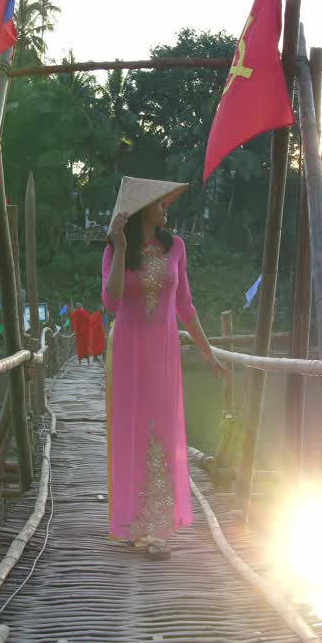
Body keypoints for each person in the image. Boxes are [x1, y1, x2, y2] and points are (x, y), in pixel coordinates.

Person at [102, 176, 225, 560]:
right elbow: (111, 301)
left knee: (161, 432)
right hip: (127, 351)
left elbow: (186, 306)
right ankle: (133, 524)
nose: (166, 207)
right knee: (132, 431)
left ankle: (155, 527)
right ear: (141, 209)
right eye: (160, 202)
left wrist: (208, 353)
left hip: (165, 352)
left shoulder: (177, 248)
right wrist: (120, 249)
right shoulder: (115, 251)